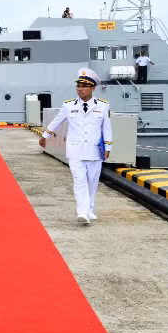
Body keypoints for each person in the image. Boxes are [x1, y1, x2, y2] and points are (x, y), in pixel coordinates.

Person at [39, 68, 112, 225]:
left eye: (84, 86)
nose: (80, 89)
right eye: (78, 85)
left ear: (92, 88)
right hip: (75, 150)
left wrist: (108, 147)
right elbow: (57, 121)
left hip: (94, 151)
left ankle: (90, 208)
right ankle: (82, 213)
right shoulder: (68, 106)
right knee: (80, 181)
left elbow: (107, 128)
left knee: (92, 181)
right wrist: (45, 136)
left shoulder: (103, 106)